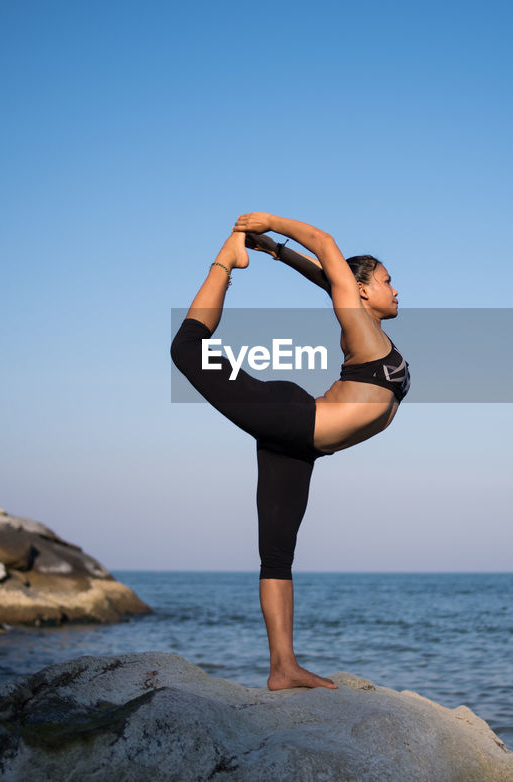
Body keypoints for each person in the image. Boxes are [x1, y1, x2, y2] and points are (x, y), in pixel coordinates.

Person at [170, 212, 409, 690]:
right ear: (361, 290)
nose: (396, 289)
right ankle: (224, 260)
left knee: (276, 556)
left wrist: (276, 251)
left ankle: (283, 668)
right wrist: (269, 224)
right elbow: (325, 244)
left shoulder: (366, 325)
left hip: (301, 445)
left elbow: (326, 277)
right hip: (292, 417)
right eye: (386, 281)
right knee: (187, 348)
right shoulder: (360, 330)